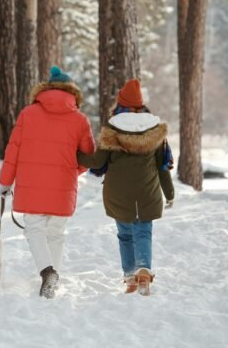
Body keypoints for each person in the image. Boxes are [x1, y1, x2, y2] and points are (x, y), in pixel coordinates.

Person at [0, 66, 95, 299]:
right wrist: (72, 170)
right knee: (56, 232)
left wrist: (5, 182)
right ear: (72, 91)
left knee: (34, 229)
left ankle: (47, 271)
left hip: (31, 184)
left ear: (45, 89)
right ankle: (53, 277)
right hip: (63, 184)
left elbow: (13, 151)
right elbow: (89, 155)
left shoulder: (28, 114)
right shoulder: (79, 119)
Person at [77, 78, 174, 295]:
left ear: (120, 103)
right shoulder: (155, 129)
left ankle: (130, 277)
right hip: (147, 192)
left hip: (118, 193)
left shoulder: (112, 128)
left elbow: (97, 162)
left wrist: (75, 155)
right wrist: (169, 193)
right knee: (143, 233)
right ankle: (143, 270)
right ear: (141, 103)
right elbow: (162, 166)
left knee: (125, 235)